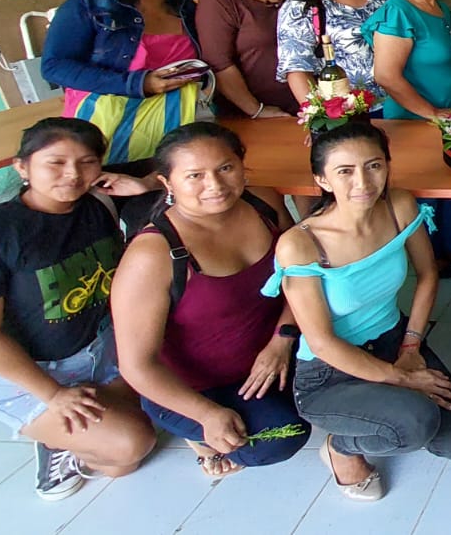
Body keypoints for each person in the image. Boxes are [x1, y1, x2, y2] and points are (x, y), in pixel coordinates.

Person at [262, 123, 451, 501]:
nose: (362, 182)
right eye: (345, 171)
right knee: (415, 424)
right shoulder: (301, 244)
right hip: (329, 372)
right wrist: (401, 378)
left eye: (374, 166)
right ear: (322, 180)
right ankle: (341, 448)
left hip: (394, 342)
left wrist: (410, 348)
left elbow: (428, 275)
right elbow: (322, 343)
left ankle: (385, 406)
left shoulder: (398, 206)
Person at [0, 119, 156, 500]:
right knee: (130, 446)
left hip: (100, 355)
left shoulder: (99, 200)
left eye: (87, 162)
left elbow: (177, 169)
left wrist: (143, 185)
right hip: (35, 374)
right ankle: (53, 441)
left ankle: (73, 426)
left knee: (153, 413)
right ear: (21, 167)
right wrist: (53, 395)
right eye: (55, 163)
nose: (72, 174)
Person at [109, 123, 307, 479]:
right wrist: (206, 415)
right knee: (280, 437)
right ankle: (198, 439)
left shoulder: (263, 202)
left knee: (355, 373)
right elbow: (137, 366)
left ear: (243, 166)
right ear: (168, 183)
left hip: (275, 351)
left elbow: (301, 273)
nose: (214, 185)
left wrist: (283, 337)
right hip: (199, 387)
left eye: (225, 168)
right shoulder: (153, 254)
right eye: (195, 176)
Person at [42, 0, 201, 169]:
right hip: (107, 129)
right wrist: (138, 84)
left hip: (180, 130)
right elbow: (54, 66)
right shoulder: (90, 3)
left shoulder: (189, 10)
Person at [362, 0, 451, 276]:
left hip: (448, 117)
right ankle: (428, 260)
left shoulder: (443, 9)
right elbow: (386, 75)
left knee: (450, 184)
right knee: (422, 193)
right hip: (413, 121)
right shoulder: (398, 12)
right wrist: (430, 112)